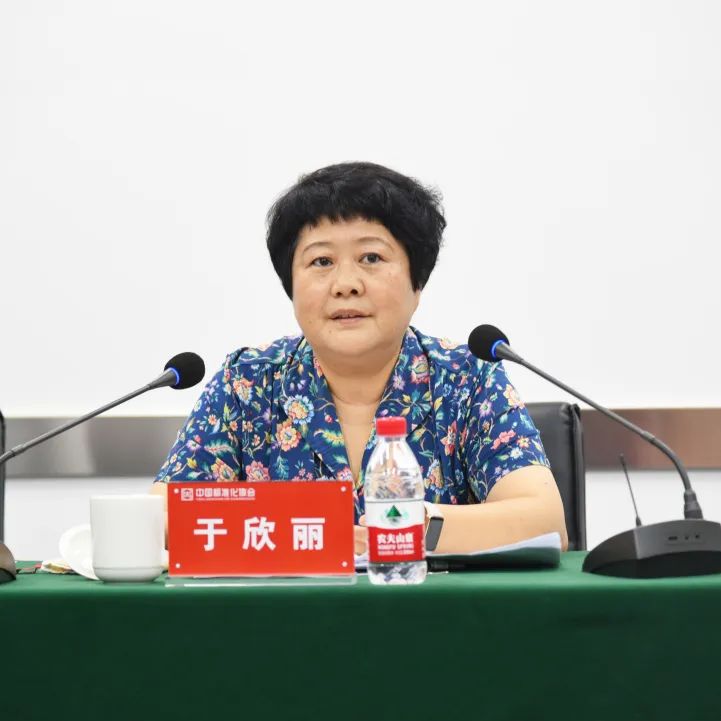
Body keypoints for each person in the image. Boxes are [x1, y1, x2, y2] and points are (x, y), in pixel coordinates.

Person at [151, 162, 568, 554]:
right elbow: (158, 522)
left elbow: (545, 522)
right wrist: (314, 536)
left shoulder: (466, 380)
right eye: (321, 261)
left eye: (371, 258)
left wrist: (405, 528)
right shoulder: (246, 383)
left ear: (417, 283)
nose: (345, 284)